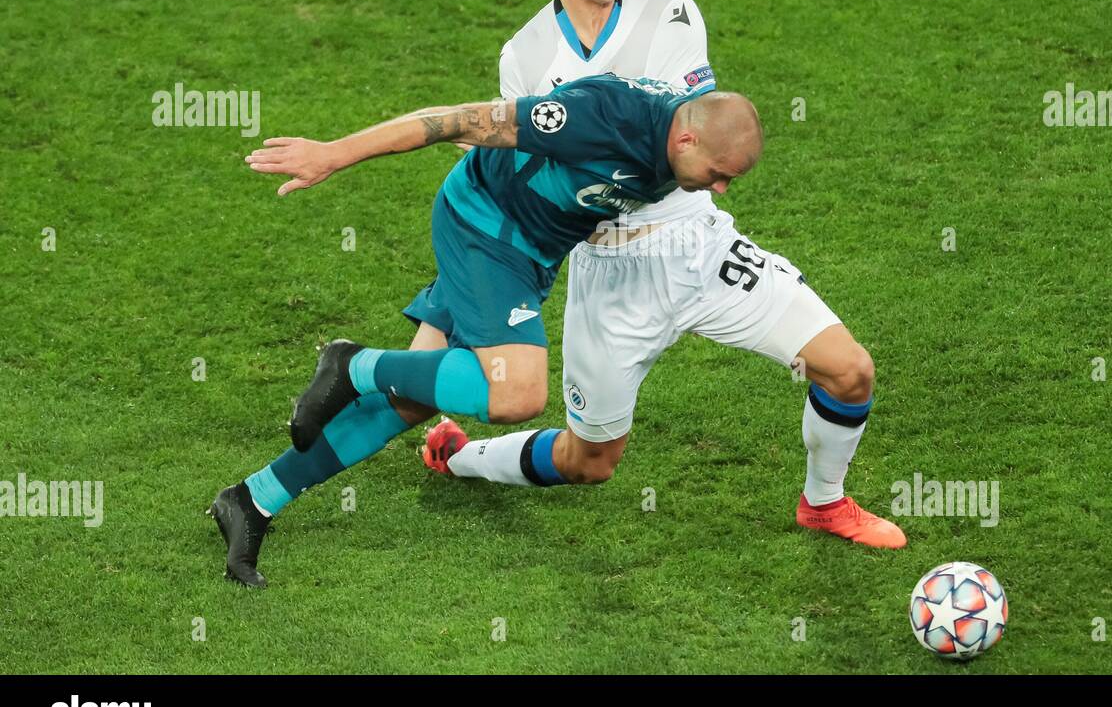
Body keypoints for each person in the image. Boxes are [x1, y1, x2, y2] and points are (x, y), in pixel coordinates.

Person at [415, 0, 906, 552]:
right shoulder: (524, 57)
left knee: (849, 368)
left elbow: (684, 137)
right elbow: (526, 186)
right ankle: (461, 457)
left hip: (696, 246)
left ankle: (824, 503)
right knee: (592, 463)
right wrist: (464, 295)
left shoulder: (670, 11)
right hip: (608, 271)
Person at [210, 75, 760, 586]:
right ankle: (352, 364)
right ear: (686, 139)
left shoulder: (680, 145)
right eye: (720, 173)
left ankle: (252, 500)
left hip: (528, 254)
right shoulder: (607, 115)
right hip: (485, 229)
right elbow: (458, 120)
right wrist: (334, 153)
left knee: (413, 397)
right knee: (517, 393)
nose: (721, 188)